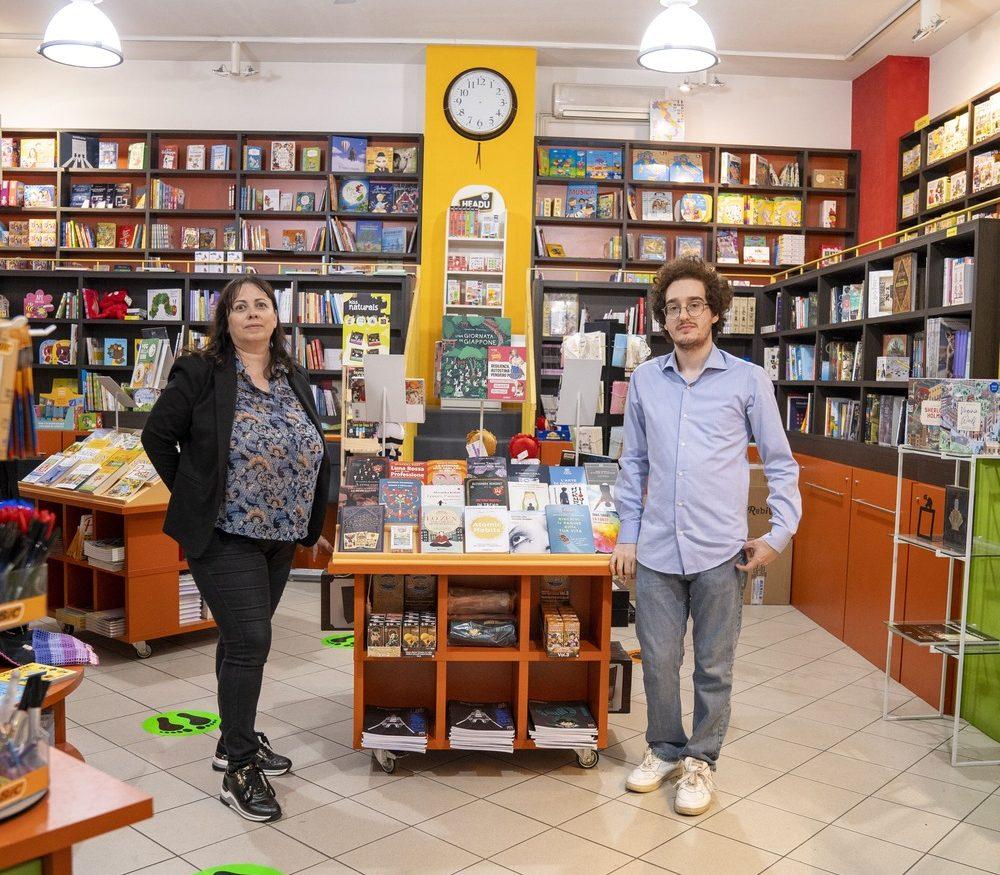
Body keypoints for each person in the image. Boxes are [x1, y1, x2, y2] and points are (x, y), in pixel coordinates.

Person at [611, 257, 800, 816]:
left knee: (715, 665)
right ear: (663, 319)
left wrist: (779, 534)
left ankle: (702, 760)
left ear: (715, 311)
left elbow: (780, 463)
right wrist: (628, 535)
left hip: (722, 552)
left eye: (695, 304)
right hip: (659, 552)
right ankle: (665, 749)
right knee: (661, 660)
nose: (683, 315)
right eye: (672, 307)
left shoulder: (747, 380)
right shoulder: (645, 380)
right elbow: (634, 464)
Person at [142, 277, 332, 824]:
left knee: (238, 639)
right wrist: (196, 494)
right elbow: (157, 436)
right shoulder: (201, 371)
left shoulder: (291, 374)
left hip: (278, 539)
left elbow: (311, 449)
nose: (252, 313)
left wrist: (308, 524)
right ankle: (239, 769)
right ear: (225, 320)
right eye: (239, 306)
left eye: (261, 304)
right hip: (224, 536)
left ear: (276, 315)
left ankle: (233, 740)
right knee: (251, 639)